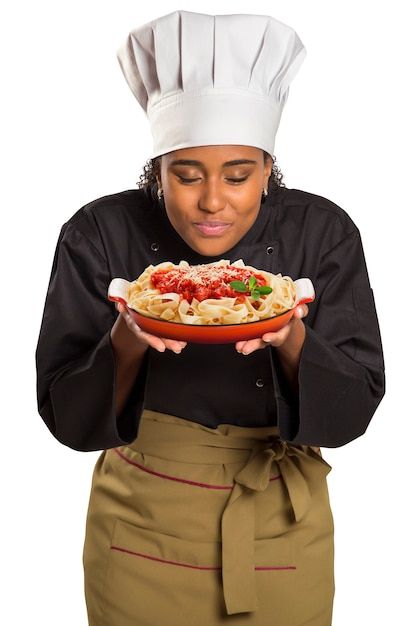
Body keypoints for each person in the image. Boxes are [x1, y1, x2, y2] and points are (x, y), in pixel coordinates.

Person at [35, 10, 385, 626]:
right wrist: (127, 341)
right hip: (140, 518)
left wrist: (293, 337)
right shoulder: (98, 232)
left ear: (269, 171)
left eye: (239, 176)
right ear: (157, 172)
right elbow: (65, 416)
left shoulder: (322, 231)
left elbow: (356, 409)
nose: (212, 202)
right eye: (186, 176)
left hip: (281, 519)